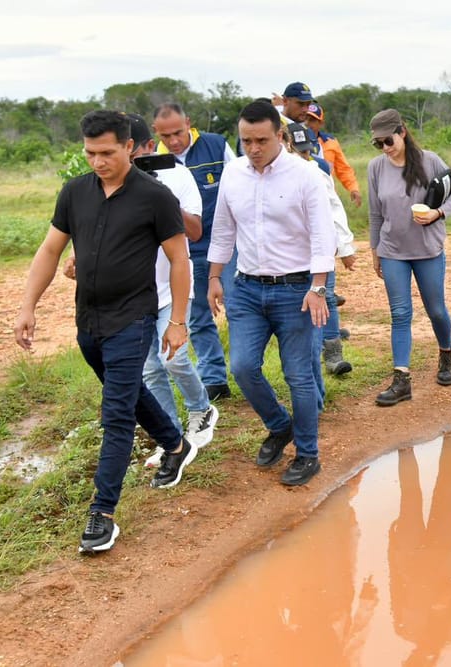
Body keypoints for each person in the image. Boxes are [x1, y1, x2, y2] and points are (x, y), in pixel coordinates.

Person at [14, 110, 198, 553]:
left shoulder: (155, 196)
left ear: (130, 147)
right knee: (127, 391)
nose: (98, 162)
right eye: (90, 153)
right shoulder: (75, 192)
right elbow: (50, 249)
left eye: (107, 153)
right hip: (89, 321)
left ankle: (102, 513)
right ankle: (175, 445)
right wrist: (27, 305)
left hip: (134, 318)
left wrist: (177, 322)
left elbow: (179, 259)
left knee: (115, 413)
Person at [62, 113, 220, 459]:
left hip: (168, 287)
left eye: (127, 155)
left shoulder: (175, 178)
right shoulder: (99, 186)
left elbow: (194, 232)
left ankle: (201, 408)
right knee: (149, 369)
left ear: (142, 147)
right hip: (133, 297)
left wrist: (158, 196)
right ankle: (170, 438)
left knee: (173, 359)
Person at [207, 100, 335, 487]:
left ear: (279, 135)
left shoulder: (305, 175)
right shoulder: (233, 174)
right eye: (246, 140)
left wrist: (318, 288)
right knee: (243, 367)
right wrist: (214, 277)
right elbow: (224, 229)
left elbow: (322, 236)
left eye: (262, 139)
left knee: (299, 376)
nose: (254, 148)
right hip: (246, 287)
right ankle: (280, 426)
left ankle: (308, 454)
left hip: (296, 289)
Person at [367, 108, 451, 406]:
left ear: (402, 132)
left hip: (427, 249)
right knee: (399, 314)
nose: (385, 147)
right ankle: (401, 380)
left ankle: (445, 353)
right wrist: (374, 251)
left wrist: (437, 213)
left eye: (388, 140)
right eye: (378, 143)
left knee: (436, 311)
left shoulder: (429, 160)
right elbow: (374, 213)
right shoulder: (375, 168)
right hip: (393, 250)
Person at [152, 103, 237, 401]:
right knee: (198, 316)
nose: (174, 140)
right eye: (166, 135)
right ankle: (214, 378)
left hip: (227, 242)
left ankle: (246, 370)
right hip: (187, 249)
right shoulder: (154, 162)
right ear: (155, 134)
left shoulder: (216, 145)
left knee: (240, 307)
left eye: (178, 132)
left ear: (189, 123)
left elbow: (240, 179)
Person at [286, 121, 357, 378]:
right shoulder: (276, 172)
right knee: (297, 302)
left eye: (306, 151)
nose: (303, 156)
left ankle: (334, 355)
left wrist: (344, 246)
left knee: (326, 297)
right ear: (286, 145)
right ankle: (307, 357)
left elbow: (333, 208)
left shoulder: (319, 167)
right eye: (298, 151)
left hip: (320, 247)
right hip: (291, 252)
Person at [306, 103, 362, 207]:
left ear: (321, 123)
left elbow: (343, 169)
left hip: (327, 196)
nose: (307, 123)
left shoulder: (331, 142)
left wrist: (353, 188)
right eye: (305, 119)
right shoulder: (292, 142)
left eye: (312, 120)